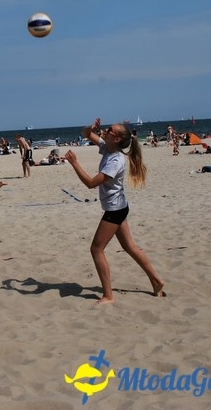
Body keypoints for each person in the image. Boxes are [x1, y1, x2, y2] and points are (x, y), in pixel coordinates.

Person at [64, 118, 165, 305]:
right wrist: (90, 128)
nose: (105, 130)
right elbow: (86, 134)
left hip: (115, 209)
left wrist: (74, 163)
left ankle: (108, 295)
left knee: (96, 249)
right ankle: (156, 281)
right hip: (119, 205)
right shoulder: (107, 147)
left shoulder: (116, 160)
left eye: (110, 130)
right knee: (129, 247)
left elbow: (90, 183)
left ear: (117, 138)